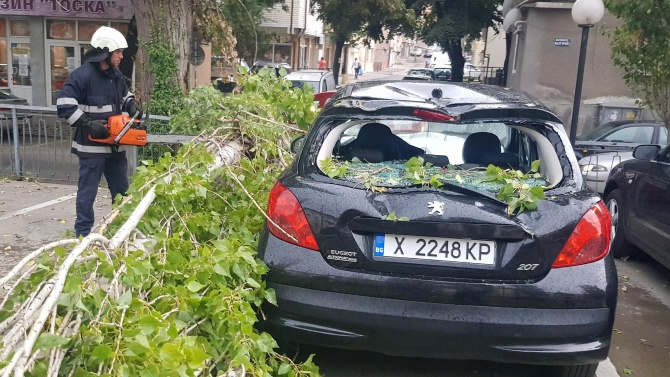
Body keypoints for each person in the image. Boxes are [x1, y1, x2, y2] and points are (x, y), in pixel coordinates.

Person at [56, 26, 143, 238]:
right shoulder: (82, 76)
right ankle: (83, 235)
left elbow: (125, 95)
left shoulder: (116, 75)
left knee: (122, 193)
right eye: (118, 52)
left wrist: (131, 104)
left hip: (115, 146)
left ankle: (123, 231)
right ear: (106, 51)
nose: (122, 56)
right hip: (91, 148)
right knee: (87, 194)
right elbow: (64, 105)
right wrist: (87, 123)